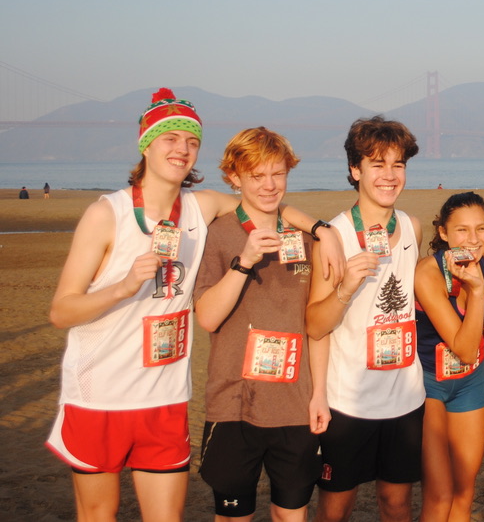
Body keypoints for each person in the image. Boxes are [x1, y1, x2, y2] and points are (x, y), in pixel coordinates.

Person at [45, 88, 341, 522]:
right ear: (145, 143)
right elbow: (60, 311)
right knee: (99, 513)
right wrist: (123, 287)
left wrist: (321, 229)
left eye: (191, 141)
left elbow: (265, 201)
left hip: (164, 397)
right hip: (99, 394)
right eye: (170, 139)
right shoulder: (107, 214)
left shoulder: (199, 208)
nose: (182, 150)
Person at [193, 127, 327, 522]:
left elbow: (317, 325)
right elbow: (208, 317)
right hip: (234, 403)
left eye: (278, 174)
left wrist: (319, 393)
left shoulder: (306, 239)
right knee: (234, 516)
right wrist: (244, 260)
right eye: (256, 176)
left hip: (296, 404)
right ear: (234, 177)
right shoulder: (217, 235)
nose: (269, 186)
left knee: (293, 514)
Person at [305, 116, 426, 522]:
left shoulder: (412, 226)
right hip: (348, 402)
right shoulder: (334, 236)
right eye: (378, 164)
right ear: (356, 170)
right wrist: (345, 288)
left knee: (396, 504)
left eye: (398, 165)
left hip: (406, 397)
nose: (389, 176)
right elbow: (315, 326)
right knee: (336, 508)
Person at [414, 192, 484, 522]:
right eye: (462, 230)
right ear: (443, 234)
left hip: (470, 381)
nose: (473, 239)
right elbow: (463, 349)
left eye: (481, 229)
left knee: (465, 492)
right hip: (428, 384)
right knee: (439, 496)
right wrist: (478, 292)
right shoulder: (428, 273)